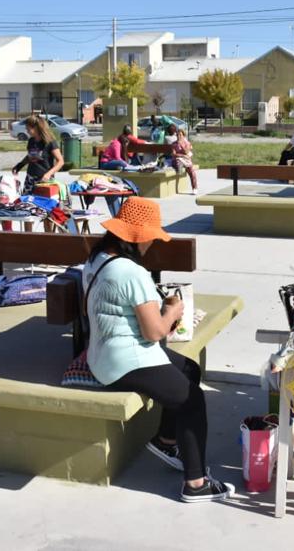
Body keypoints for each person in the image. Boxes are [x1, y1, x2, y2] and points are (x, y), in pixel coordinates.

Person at [84, 197, 234, 503]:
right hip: (126, 361)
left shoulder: (97, 258)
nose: (153, 242)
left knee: (189, 369)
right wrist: (173, 311)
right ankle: (196, 483)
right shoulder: (132, 273)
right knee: (193, 399)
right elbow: (154, 333)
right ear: (138, 237)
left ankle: (166, 441)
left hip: (102, 354)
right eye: (151, 236)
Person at [12, 114, 63, 194]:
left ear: (36, 127)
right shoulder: (31, 141)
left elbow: (60, 161)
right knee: (27, 203)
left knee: (43, 204)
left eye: (28, 128)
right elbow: (30, 156)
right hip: (30, 178)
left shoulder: (50, 142)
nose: (26, 130)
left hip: (44, 179)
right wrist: (19, 166)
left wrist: (48, 174)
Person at [171, 127, 198, 194]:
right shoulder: (174, 144)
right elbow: (174, 154)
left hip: (186, 160)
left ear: (183, 135)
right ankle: (179, 169)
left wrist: (181, 144)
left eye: (180, 135)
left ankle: (194, 188)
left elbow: (186, 152)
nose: (178, 136)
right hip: (178, 159)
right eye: (177, 135)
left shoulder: (187, 143)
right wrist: (182, 155)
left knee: (192, 171)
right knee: (178, 162)